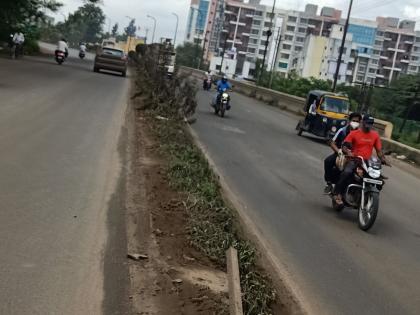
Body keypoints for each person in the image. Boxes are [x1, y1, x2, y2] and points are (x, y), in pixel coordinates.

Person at [333, 115, 390, 205]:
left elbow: (379, 151)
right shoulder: (354, 133)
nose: (369, 125)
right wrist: (348, 152)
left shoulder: (375, 135)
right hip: (354, 159)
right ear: (363, 122)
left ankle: (368, 195)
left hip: (367, 162)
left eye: (371, 124)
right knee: (347, 172)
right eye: (367, 123)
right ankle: (337, 193)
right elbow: (344, 146)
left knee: (379, 180)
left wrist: (383, 159)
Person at [323, 112, 362, 194]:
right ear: (349, 120)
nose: (355, 123)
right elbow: (332, 143)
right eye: (354, 120)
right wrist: (339, 152)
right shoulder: (342, 131)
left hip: (355, 157)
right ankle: (329, 183)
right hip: (341, 154)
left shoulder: (361, 134)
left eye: (357, 121)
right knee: (328, 161)